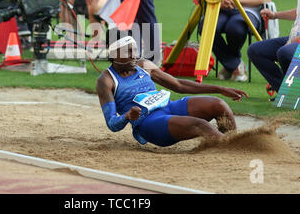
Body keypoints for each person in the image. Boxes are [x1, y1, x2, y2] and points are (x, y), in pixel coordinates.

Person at [96, 34, 248, 147]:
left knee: (218, 105)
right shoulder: (106, 81)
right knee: (200, 125)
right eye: (128, 52)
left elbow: (178, 85)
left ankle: (232, 144)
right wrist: (127, 116)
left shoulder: (143, 65)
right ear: (114, 54)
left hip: (169, 108)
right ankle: (234, 148)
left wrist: (219, 89)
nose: (135, 55)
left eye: (135, 50)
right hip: (149, 123)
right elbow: (112, 124)